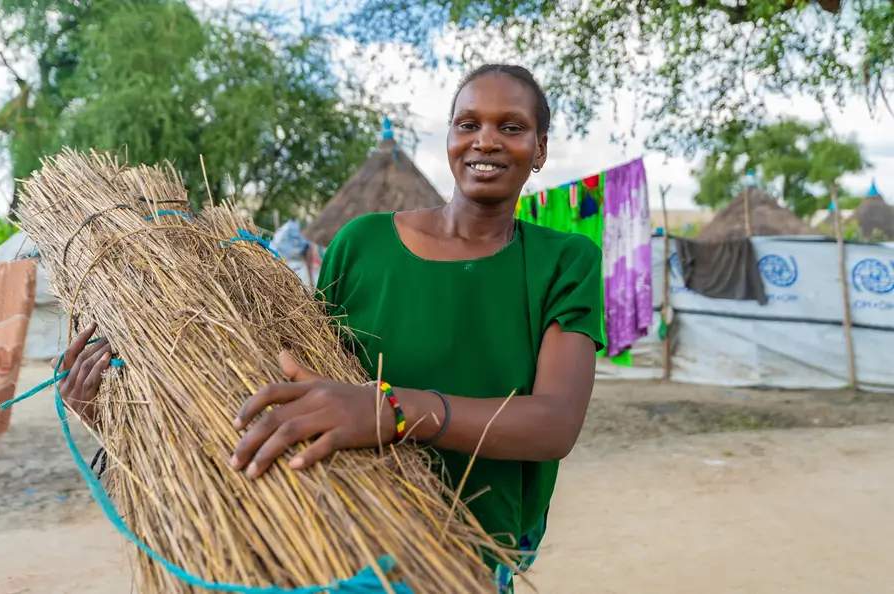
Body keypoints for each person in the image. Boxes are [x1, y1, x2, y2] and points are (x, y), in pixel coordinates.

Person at [57, 63, 604, 593]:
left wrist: (391, 410)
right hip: (340, 538)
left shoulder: (565, 260)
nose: (486, 140)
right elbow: (285, 386)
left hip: (473, 557)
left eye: (511, 127)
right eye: (469, 124)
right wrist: (116, 414)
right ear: (450, 139)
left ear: (540, 150)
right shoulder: (363, 244)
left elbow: (554, 424)